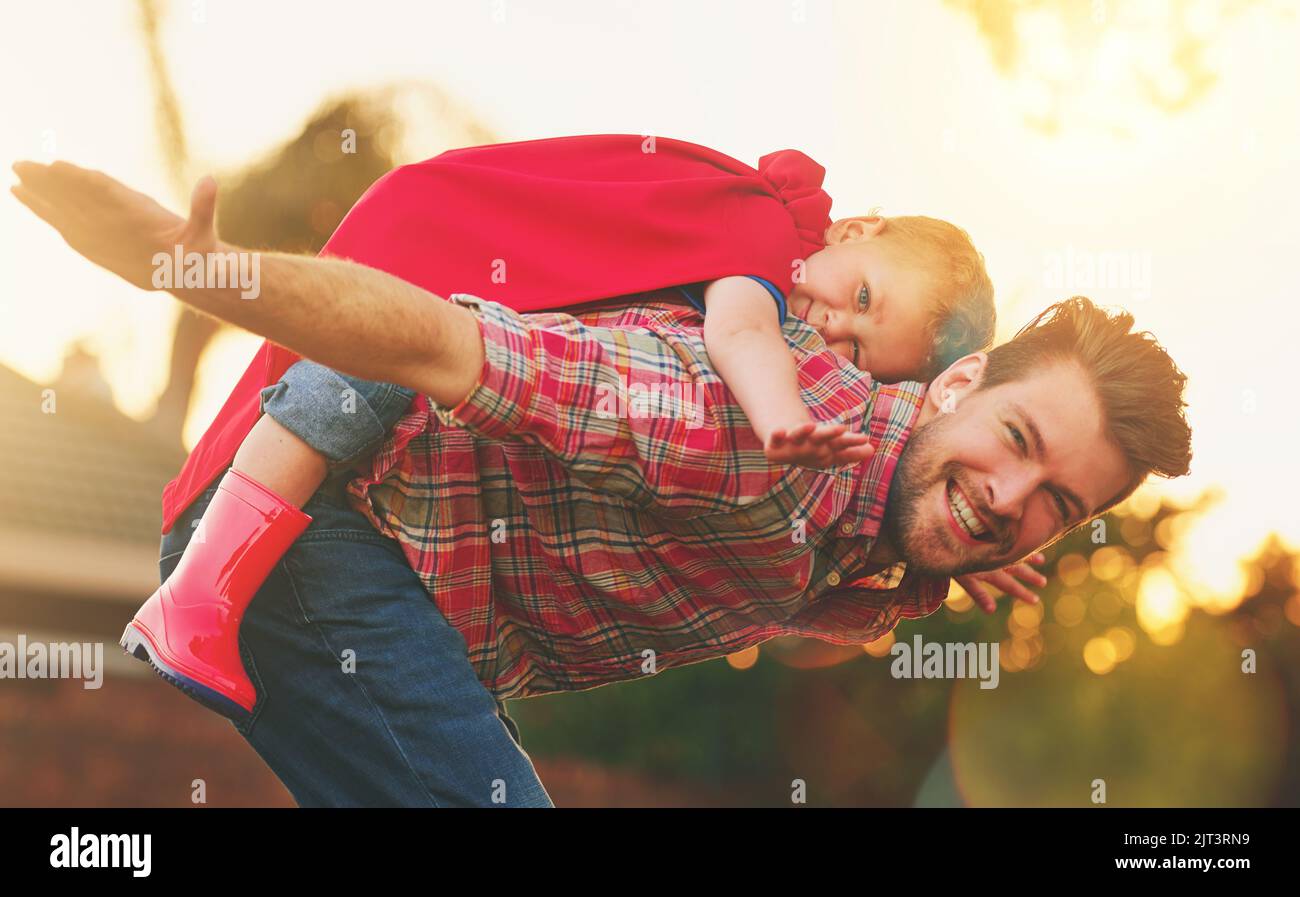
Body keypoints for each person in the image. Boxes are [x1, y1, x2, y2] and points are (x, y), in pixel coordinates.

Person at [12, 158, 1190, 808]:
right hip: (321, 546)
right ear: (958, 384)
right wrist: (200, 270)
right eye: (1018, 440)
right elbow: (447, 342)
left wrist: (917, 581)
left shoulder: (855, 522)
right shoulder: (756, 421)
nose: (1011, 499)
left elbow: (791, 605)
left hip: (390, 595)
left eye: (1058, 504)